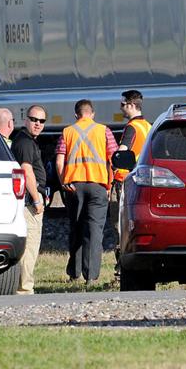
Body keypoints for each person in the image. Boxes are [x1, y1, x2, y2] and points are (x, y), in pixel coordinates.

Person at [55, 99, 117, 284]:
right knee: (94, 231)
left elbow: (59, 161)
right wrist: (109, 184)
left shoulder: (67, 132)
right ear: (93, 113)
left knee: (76, 228)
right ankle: (91, 277)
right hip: (98, 186)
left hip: (74, 186)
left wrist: (63, 182)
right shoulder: (104, 130)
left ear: (76, 115)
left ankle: (74, 273)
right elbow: (113, 159)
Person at [111, 90, 152, 274]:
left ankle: (121, 267)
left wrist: (113, 167)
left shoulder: (132, 127)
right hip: (140, 180)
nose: (121, 108)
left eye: (122, 105)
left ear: (131, 105)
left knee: (120, 224)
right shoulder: (148, 126)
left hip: (124, 180)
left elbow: (122, 151)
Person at [10, 105, 47, 294]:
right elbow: (26, 170)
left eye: (42, 121)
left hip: (30, 199)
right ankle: (24, 289)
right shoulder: (24, 142)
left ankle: (22, 286)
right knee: (30, 246)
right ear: (26, 120)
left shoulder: (28, 141)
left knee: (30, 246)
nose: (38, 124)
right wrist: (37, 199)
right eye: (34, 120)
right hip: (30, 202)